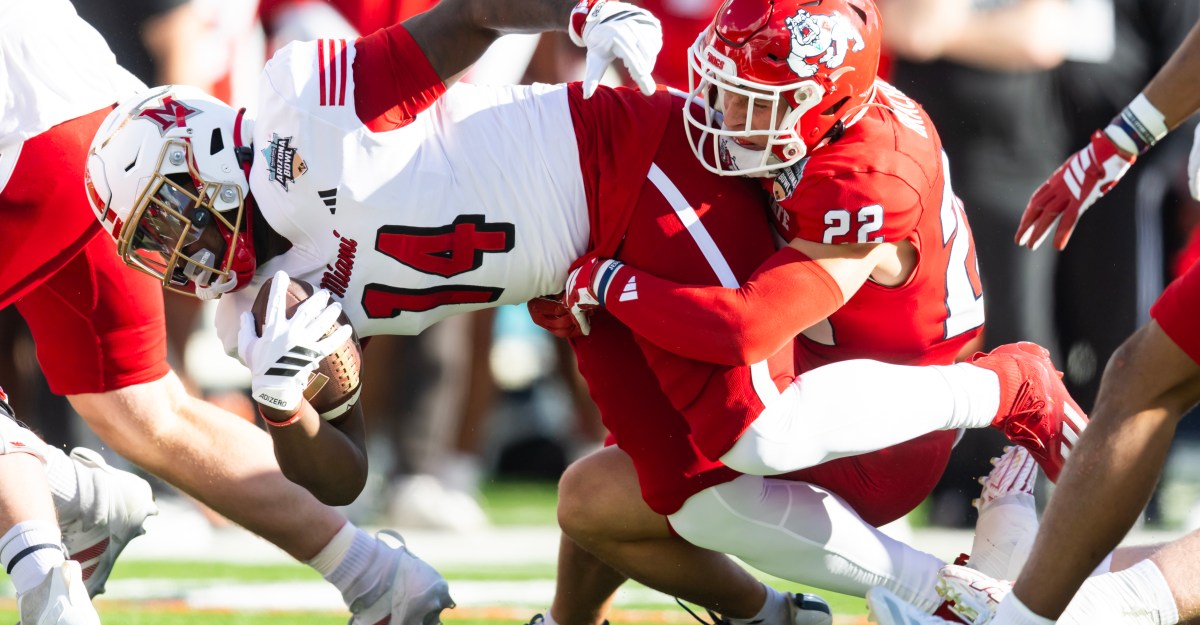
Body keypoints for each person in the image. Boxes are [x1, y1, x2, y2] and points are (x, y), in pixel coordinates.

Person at [84, 0, 1079, 622]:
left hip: (617, 166)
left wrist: (586, 7)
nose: (176, 251)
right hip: (570, 281)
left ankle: (969, 480)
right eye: (149, 242)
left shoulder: (303, 110)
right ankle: (903, 593)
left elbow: (473, 12)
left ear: (209, 146)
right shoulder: (250, 316)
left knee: (753, 424)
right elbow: (342, 477)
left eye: (169, 211)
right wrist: (285, 409)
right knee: (685, 489)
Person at [0, 1, 456, 623]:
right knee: (144, 409)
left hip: (30, 134)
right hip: (113, 138)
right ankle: (378, 575)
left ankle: (52, 579)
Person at [863, 17, 1200, 625]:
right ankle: (1018, 604)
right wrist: (1119, 140)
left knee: (1135, 376)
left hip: (1012, 146)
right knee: (1135, 377)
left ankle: (1012, 605)